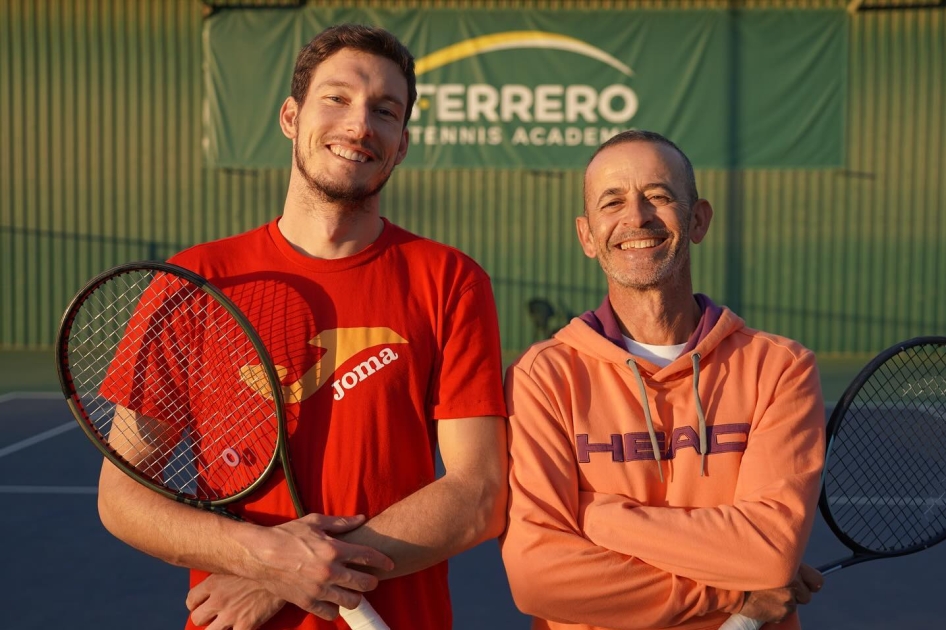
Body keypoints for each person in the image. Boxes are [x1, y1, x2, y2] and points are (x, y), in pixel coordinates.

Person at [96, 24, 508, 630]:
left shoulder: (450, 280)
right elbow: (122, 497)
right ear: (292, 116)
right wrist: (268, 560)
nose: (360, 125)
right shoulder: (195, 281)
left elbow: (477, 496)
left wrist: (299, 574)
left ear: (403, 143)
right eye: (337, 98)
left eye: (385, 112)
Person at [500, 130, 826, 630]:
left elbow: (769, 553)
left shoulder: (779, 368)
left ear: (698, 220)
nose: (636, 217)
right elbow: (537, 577)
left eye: (658, 196)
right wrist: (732, 595)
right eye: (613, 201)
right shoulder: (541, 378)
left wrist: (597, 517)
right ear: (587, 236)